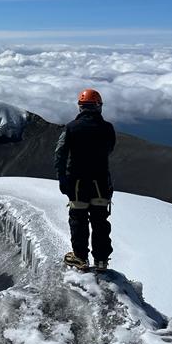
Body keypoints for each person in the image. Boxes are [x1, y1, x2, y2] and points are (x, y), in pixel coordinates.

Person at [54, 88, 116, 271]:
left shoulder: (71, 128)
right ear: (98, 106)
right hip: (101, 183)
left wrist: (62, 179)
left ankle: (81, 258)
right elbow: (109, 149)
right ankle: (102, 261)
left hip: (78, 183)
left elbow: (60, 153)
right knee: (100, 220)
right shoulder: (107, 128)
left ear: (80, 107)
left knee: (78, 219)